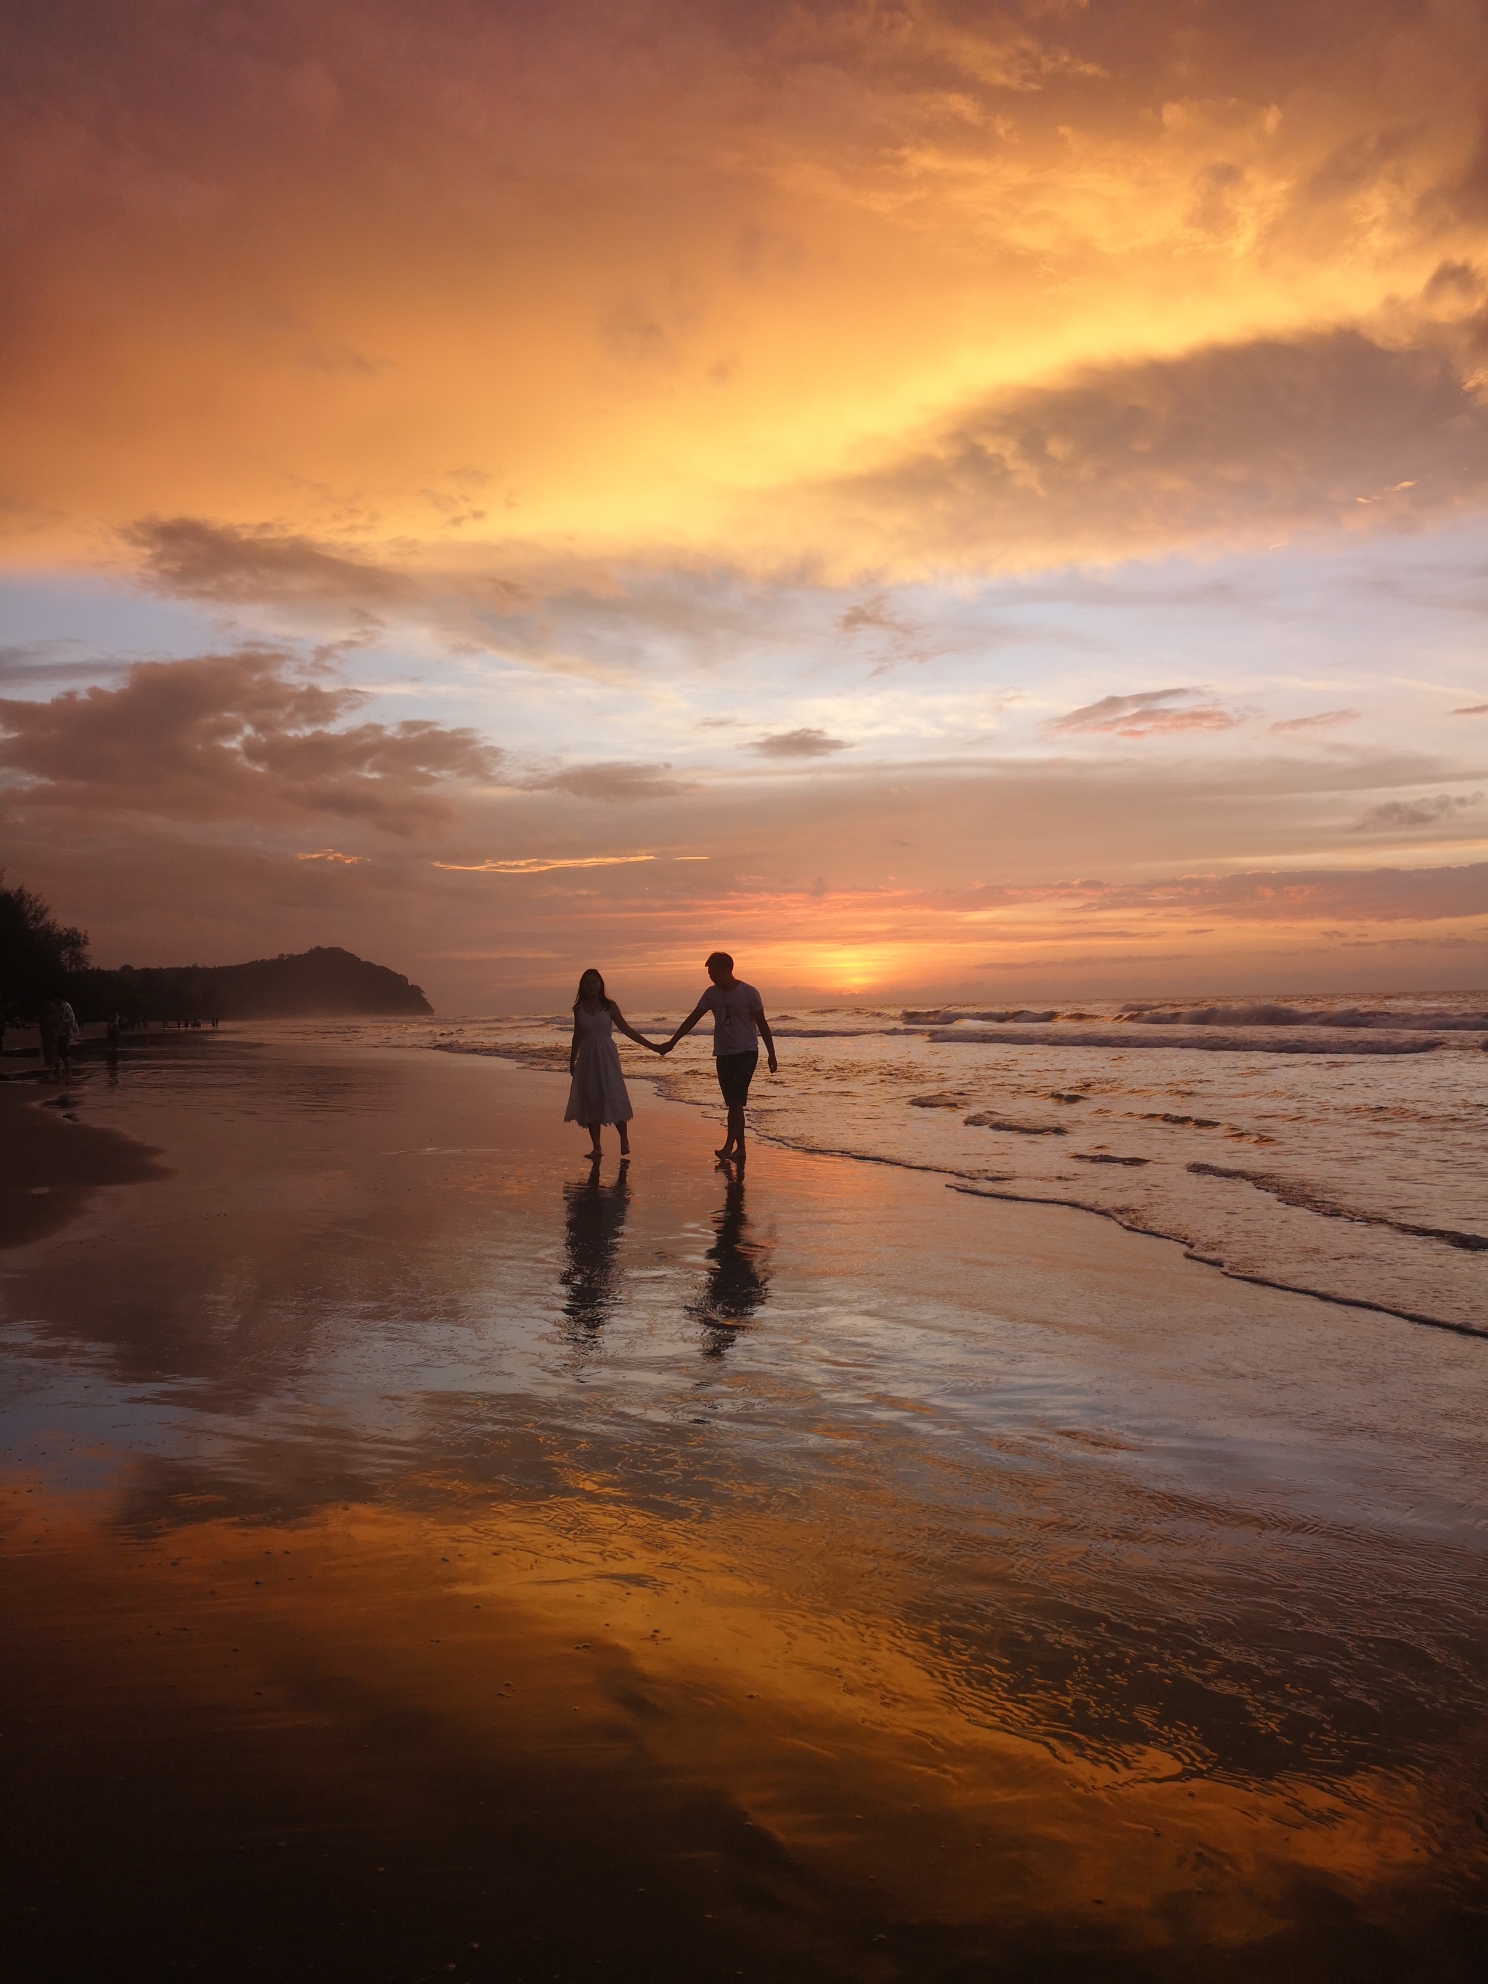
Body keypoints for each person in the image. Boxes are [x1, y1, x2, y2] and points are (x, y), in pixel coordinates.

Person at [660, 952, 777, 1161]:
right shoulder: (711, 994)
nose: (711, 977)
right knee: (734, 1103)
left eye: (713, 973)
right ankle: (740, 1150)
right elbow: (692, 1019)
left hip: (746, 1052)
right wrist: (672, 1042)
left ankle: (728, 1146)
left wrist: (772, 1054)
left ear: (727, 970)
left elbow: (762, 1024)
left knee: (735, 1102)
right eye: (709, 973)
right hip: (723, 1053)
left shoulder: (749, 992)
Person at [565, 968, 661, 1159]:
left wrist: (653, 1046)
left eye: (594, 982)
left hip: (606, 1055)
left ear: (601, 984)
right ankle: (597, 1147)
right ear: (582, 986)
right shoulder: (579, 1008)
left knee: (612, 1092)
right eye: (587, 982)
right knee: (591, 1096)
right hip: (587, 1056)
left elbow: (626, 1030)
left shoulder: (610, 1007)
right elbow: (577, 1036)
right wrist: (572, 1059)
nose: (591, 986)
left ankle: (624, 1139)